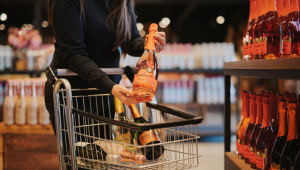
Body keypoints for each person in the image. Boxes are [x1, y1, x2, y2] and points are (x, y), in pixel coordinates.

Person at [44, 0, 166, 169]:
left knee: (111, 161)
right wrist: (111, 86)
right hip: (73, 96)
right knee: (83, 162)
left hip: (106, 94)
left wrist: (149, 44)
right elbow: (74, 55)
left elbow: (131, 41)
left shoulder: (122, 2)